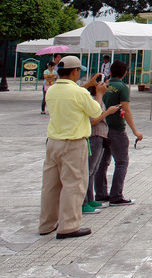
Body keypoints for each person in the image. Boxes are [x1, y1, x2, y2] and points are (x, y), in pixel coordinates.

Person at [39, 55, 103, 239]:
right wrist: (98, 94)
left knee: (50, 186)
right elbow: (95, 111)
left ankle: (46, 224)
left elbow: (71, 95)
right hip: (73, 143)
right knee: (73, 184)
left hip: (53, 142)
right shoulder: (79, 93)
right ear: (75, 71)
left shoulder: (51, 90)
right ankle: (68, 225)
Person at [94, 60, 143, 206]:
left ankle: (101, 193)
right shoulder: (122, 87)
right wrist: (135, 130)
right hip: (116, 127)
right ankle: (116, 195)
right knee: (121, 162)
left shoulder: (104, 86)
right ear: (125, 73)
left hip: (103, 127)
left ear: (110, 71)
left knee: (102, 163)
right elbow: (126, 110)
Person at [83, 81, 121, 214]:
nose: (106, 85)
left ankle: (90, 198)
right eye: (103, 83)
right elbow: (92, 120)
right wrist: (108, 112)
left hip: (100, 136)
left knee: (93, 169)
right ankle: (84, 202)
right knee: (88, 169)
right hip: (94, 135)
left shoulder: (99, 99)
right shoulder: (92, 99)